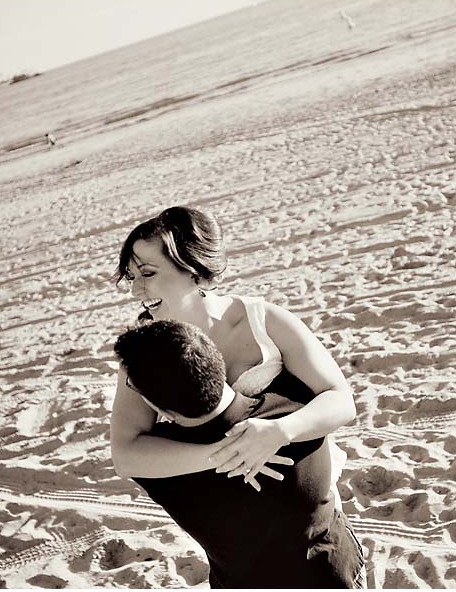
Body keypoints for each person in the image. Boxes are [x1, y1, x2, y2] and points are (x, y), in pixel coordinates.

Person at [110, 205, 355, 492]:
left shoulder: (264, 321)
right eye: (130, 276)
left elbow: (341, 401)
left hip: (311, 489)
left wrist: (281, 430)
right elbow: (125, 456)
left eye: (147, 274)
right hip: (223, 507)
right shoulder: (144, 352)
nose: (135, 291)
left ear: (193, 269)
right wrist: (226, 453)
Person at [114, 320, 365, 588]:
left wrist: (218, 455)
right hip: (333, 574)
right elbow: (337, 397)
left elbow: (124, 454)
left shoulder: (160, 472)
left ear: (161, 410)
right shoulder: (296, 406)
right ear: (219, 363)